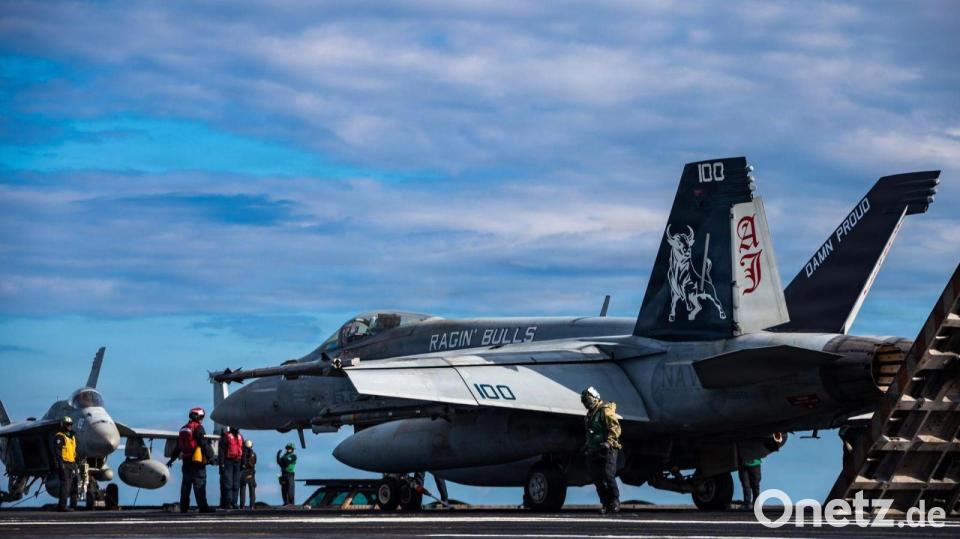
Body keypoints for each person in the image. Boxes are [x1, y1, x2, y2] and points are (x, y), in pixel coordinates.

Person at [581, 386, 621, 514]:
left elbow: (615, 427)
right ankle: (605, 502)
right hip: (594, 449)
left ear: (594, 398)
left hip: (608, 449)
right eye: (584, 401)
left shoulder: (605, 411)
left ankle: (614, 500)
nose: (586, 403)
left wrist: (609, 442)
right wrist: (587, 445)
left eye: (587, 400)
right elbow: (590, 433)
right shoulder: (589, 415)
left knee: (608, 475)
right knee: (596, 478)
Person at [172, 407, 215, 513]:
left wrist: (172, 459)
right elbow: (204, 443)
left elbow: (178, 446)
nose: (202, 419)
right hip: (197, 461)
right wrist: (211, 457)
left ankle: (184, 507)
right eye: (202, 417)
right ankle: (203, 507)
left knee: (186, 485)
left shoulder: (183, 428)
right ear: (198, 417)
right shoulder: (198, 428)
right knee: (199, 484)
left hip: (186, 460)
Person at [53, 416, 78, 512]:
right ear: (63, 425)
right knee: (65, 485)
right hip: (64, 464)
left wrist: (75, 463)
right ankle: (62, 506)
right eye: (67, 424)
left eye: (70, 424)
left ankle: (70, 505)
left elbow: (73, 451)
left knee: (71, 484)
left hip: (71, 463)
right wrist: (60, 463)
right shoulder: (60, 436)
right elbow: (57, 452)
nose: (69, 426)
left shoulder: (72, 436)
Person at [218, 426, 244, 509]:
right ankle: (228, 502)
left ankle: (234, 503)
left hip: (238, 462)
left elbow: (243, 450)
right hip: (228, 461)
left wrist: (243, 463)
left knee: (236, 484)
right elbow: (221, 450)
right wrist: (221, 463)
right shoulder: (226, 436)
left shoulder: (240, 437)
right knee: (228, 483)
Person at [239, 439, 257, 510]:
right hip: (251, 472)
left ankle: (242, 505)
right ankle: (252, 505)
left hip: (243, 472)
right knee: (252, 489)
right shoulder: (253, 454)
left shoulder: (242, 453)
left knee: (242, 489)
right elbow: (255, 462)